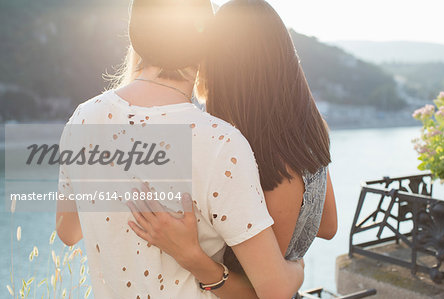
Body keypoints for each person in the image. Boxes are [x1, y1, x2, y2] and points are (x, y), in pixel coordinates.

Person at [56, 0, 305, 298]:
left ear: (137, 37)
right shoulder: (220, 143)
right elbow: (274, 291)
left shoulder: (84, 118)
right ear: (205, 44)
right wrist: (297, 267)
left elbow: (67, 232)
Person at [127, 0, 337, 298]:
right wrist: (293, 262)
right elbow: (328, 226)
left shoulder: (260, 157)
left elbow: (263, 289)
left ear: (222, 67)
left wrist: (193, 257)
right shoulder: (309, 134)